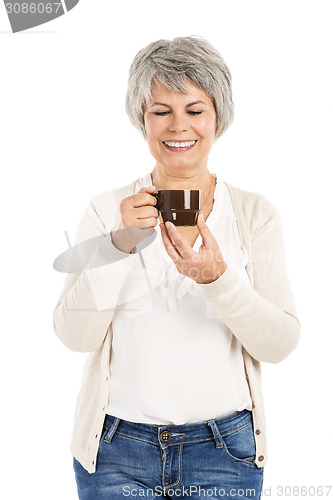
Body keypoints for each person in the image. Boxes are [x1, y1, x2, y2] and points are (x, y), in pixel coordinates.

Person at [53, 36, 300, 499]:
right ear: (141, 119)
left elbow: (280, 343)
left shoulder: (253, 214)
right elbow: (74, 337)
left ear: (218, 117)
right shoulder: (108, 209)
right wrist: (119, 245)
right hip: (114, 454)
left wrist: (220, 281)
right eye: (160, 110)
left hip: (226, 453)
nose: (178, 126)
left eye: (195, 108)